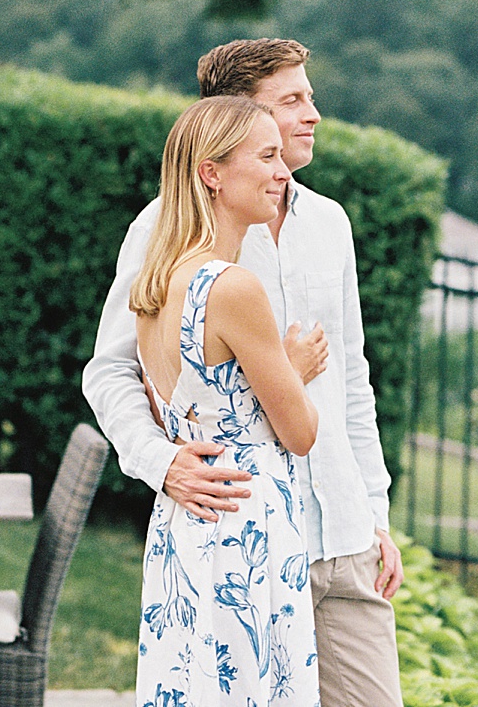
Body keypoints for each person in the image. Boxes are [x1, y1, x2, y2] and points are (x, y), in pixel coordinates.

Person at [84, 38, 405, 707]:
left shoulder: (331, 223)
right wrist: (158, 460)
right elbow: (113, 370)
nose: (313, 114)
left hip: (339, 536)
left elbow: (350, 380)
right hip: (235, 530)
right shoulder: (164, 232)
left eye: (309, 97)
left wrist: (374, 509)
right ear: (235, 116)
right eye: (291, 101)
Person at [130, 94, 319, 705]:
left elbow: (180, 410)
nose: (281, 171)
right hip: (246, 522)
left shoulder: (157, 283)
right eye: (265, 157)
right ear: (211, 172)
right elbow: (300, 432)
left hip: (187, 527)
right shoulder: (233, 287)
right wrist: (291, 369)